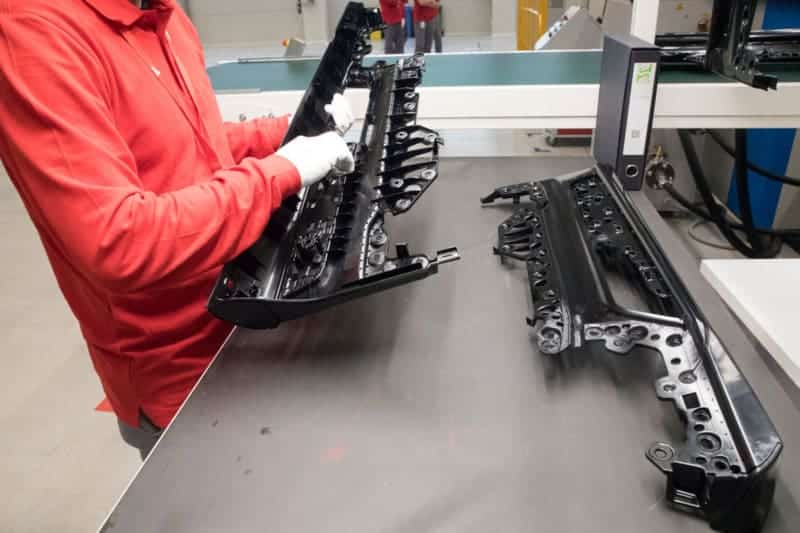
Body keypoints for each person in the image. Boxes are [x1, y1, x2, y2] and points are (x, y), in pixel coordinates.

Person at [0, 0, 355, 459]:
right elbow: (119, 241)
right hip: (181, 376)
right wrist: (281, 171)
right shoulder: (36, 34)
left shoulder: (167, 18)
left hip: (244, 308)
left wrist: (289, 132)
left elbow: (192, 148)